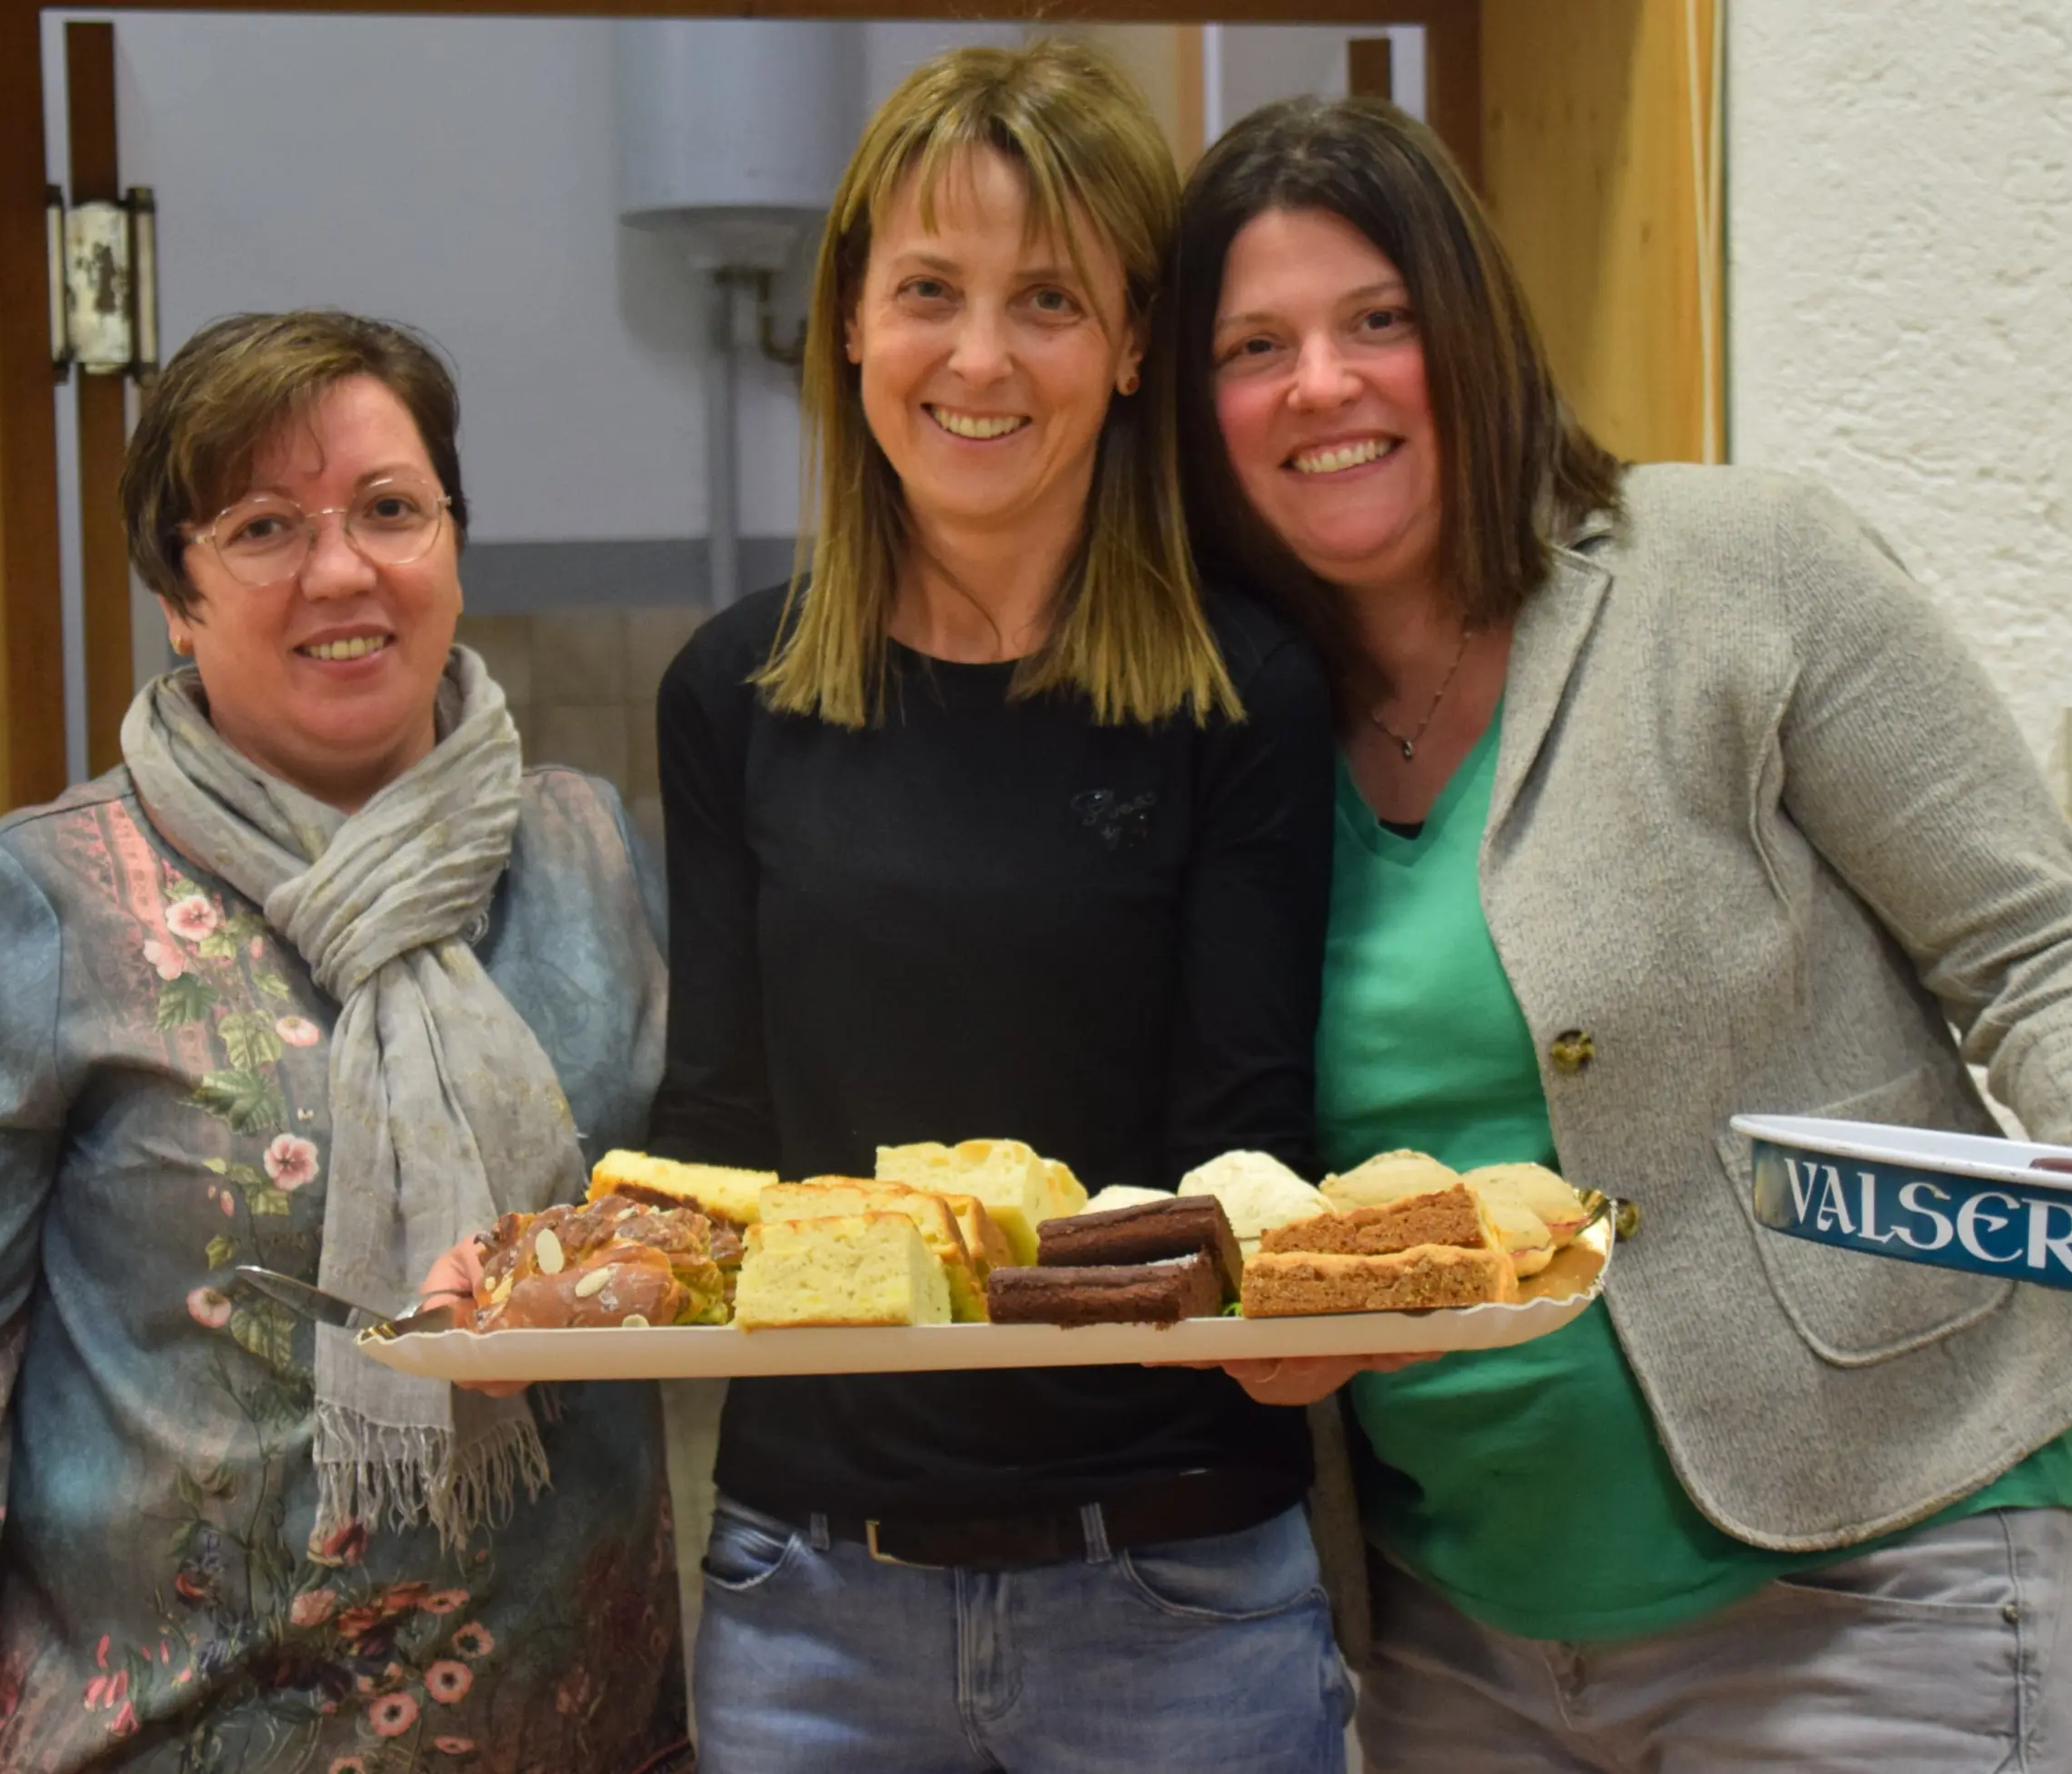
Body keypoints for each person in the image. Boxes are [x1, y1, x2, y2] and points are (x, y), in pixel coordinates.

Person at [1165, 96, 2072, 1773]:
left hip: (1885, 1583)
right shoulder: (1222, 722)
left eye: (1378, 321)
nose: (1324, 385)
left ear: (1469, 333)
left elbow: (2038, 948)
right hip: (1449, 1641)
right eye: (1257, 346)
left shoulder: (1738, 568)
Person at [0, 311, 687, 1774]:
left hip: (586, 1730)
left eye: (390, 511)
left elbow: (725, 1210)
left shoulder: (592, 858)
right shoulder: (43, 900)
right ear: (178, 590)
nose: (341, 570)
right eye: (266, 526)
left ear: (455, 543)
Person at [645, 41, 1348, 1774]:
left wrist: (1308, 1322)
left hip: (1178, 1585)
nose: (976, 356)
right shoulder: (732, 695)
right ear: (854, 328)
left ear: (1127, 345)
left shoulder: (1244, 694)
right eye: (928, 292)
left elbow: (1245, 1140)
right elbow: (723, 1128)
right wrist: (570, 1278)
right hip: (811, 1600)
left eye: (1046, 297)